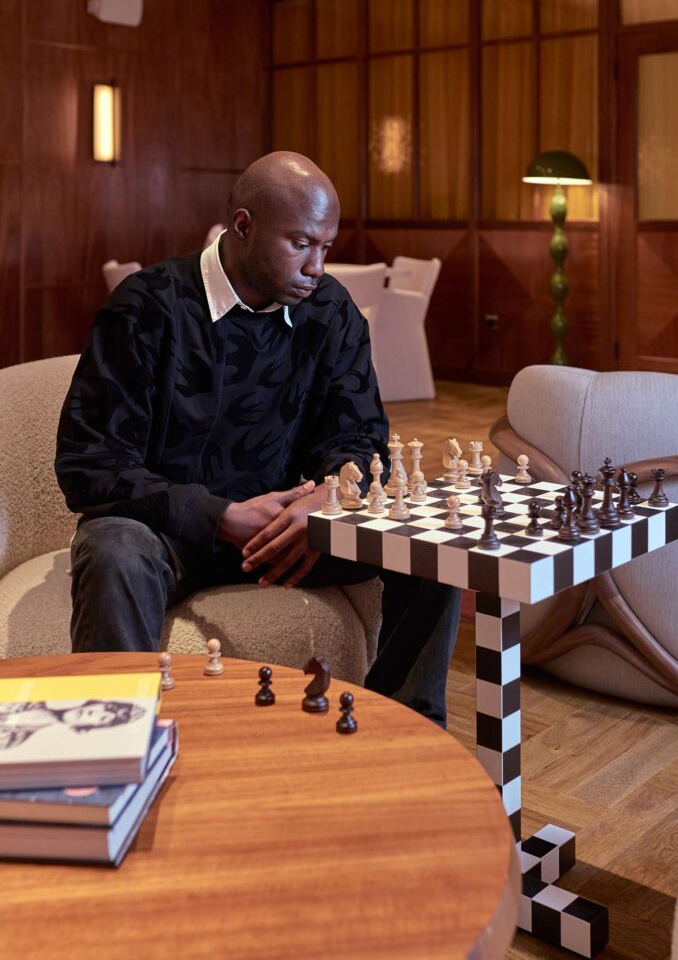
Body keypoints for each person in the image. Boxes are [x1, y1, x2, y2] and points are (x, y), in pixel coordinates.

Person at [55, 151, 461, 726]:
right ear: (243, 226)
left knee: (432, 539)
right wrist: (220, 516)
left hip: (286, 534)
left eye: (326, 247)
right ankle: (114, 747)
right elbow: (89, 463)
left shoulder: (330, 310)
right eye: (301, 244)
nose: (317, 267)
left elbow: (360, 436)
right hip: (167, 532)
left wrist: (330, 499)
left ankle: (406, 731)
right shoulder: (146, 306)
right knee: (111, 549)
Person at [0, 700, 145, 751]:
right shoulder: (31, 698)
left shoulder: (12, 741)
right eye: (107, 707)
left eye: (103, 718)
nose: (93, 713)